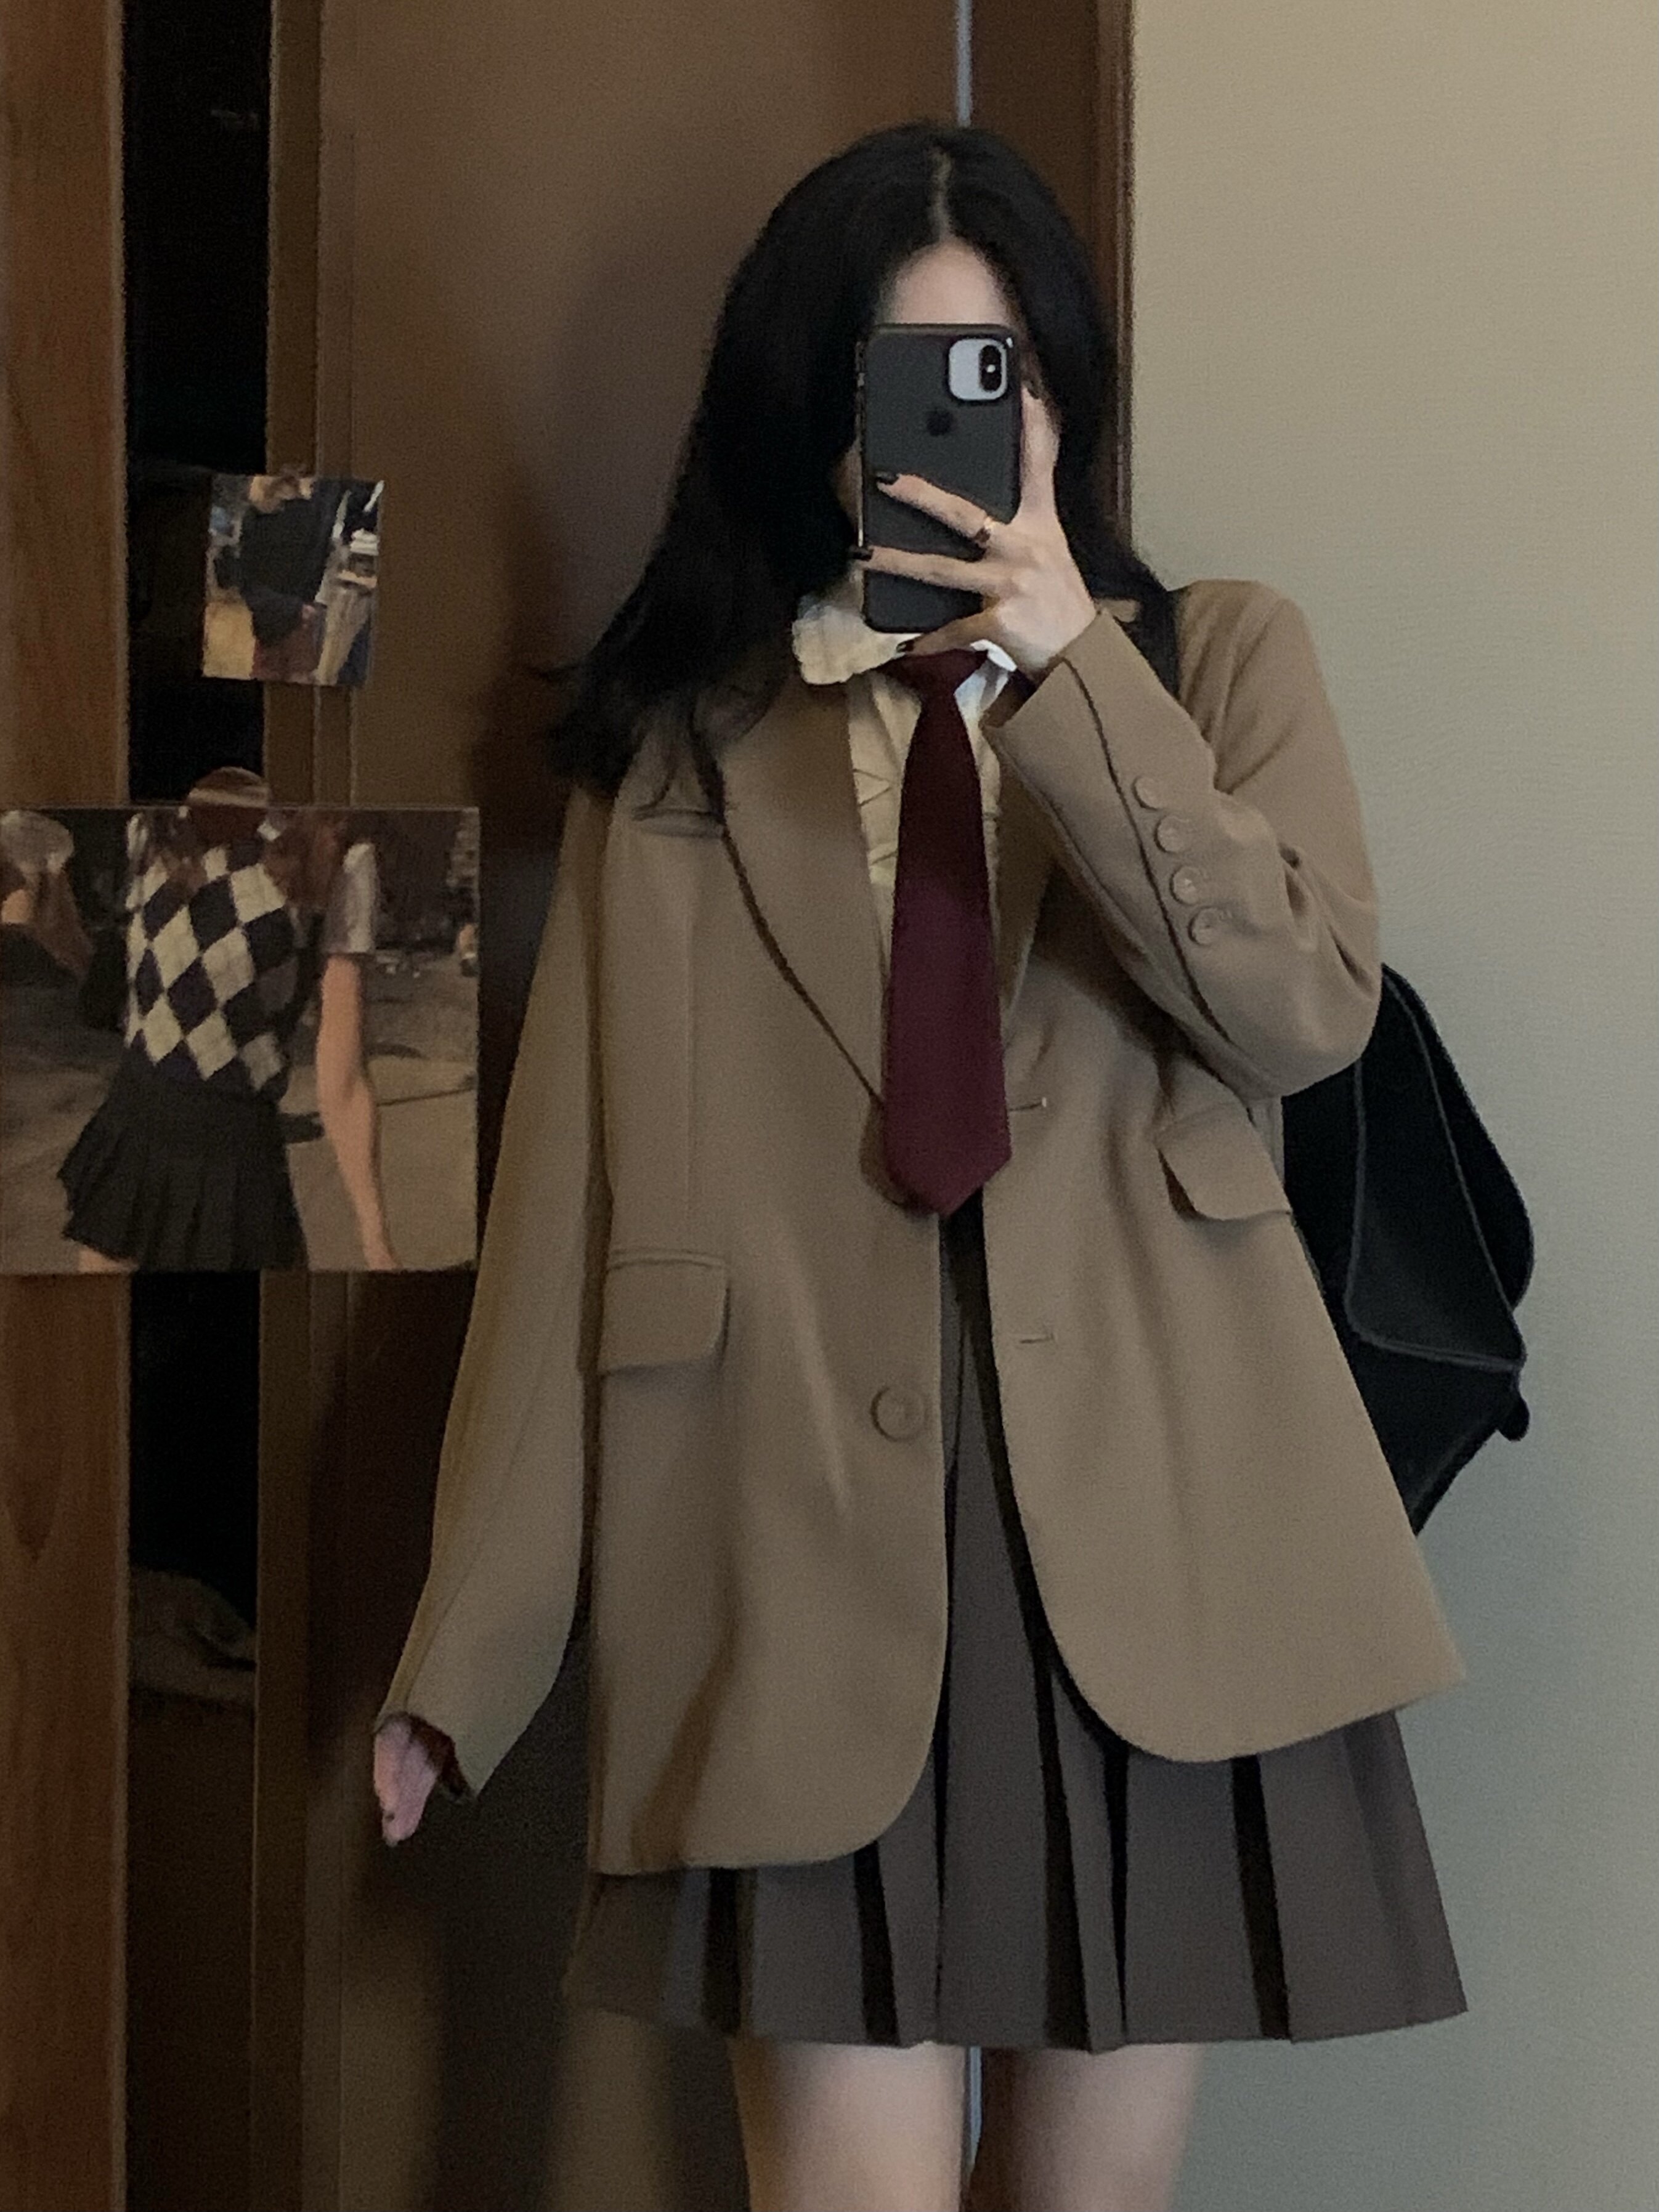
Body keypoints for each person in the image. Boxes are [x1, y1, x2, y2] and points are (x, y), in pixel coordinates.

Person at [371, 124, 1466, 2212]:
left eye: (1005, 374)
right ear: (818, 418)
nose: (965, 428)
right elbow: (566, 1219)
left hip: (1151, 1551)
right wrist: (467, 1654)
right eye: (908, 380)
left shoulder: (1213, 662)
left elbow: (1299, 1010)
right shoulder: (683, 755)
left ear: (1062, 399)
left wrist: (1066, 670)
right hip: (790, 1557)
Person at [59, 765, 402, 1272]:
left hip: (234, 1158)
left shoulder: (339, 854)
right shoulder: (155, 826)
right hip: (133, 1126)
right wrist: (51, 924)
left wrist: (376, 1241)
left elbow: (344, 1075)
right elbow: (137, 992)